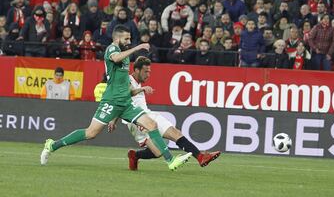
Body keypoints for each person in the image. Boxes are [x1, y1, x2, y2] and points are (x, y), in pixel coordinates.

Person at [40, 25, 192, 171]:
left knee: (151, 125)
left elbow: (125, 85)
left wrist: (139, 89)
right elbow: (116, 58)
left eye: (130, 39)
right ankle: (52, 145)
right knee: (90, 133)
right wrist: (138, 48)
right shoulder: (112, 49)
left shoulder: (125, 58)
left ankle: (171, 161)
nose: (129, 42)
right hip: (111, 101)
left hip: (125, 103)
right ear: (118, 38)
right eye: (126, 39)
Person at [107, 56, 220, 170]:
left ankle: (200, 157)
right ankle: (135, 155)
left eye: (149, 72)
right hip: (136, 120)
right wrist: (113, 119)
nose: (148, 75)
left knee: (175, 132)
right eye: (146, 71)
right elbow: (123, 97)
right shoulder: (127, 79)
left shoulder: (139, 83)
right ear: (136, 70)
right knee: (158, 152)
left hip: (148, 115)